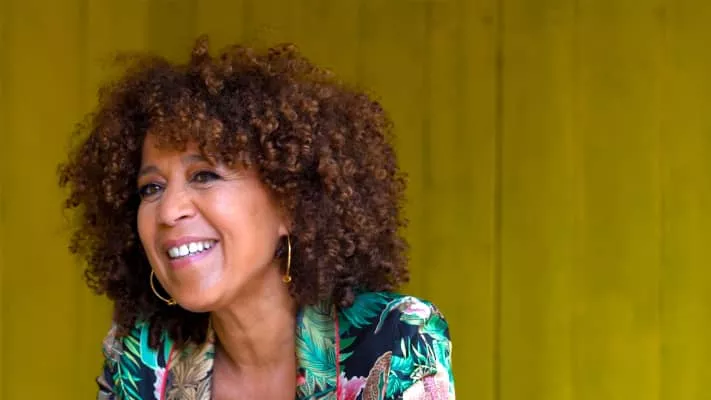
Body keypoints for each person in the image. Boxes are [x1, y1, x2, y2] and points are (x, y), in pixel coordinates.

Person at [59, 36, 455, 400]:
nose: (168, 210)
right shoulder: (141, 358)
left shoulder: (395, 341)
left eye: (205, 176)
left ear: (290, 202)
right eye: (151, 188)